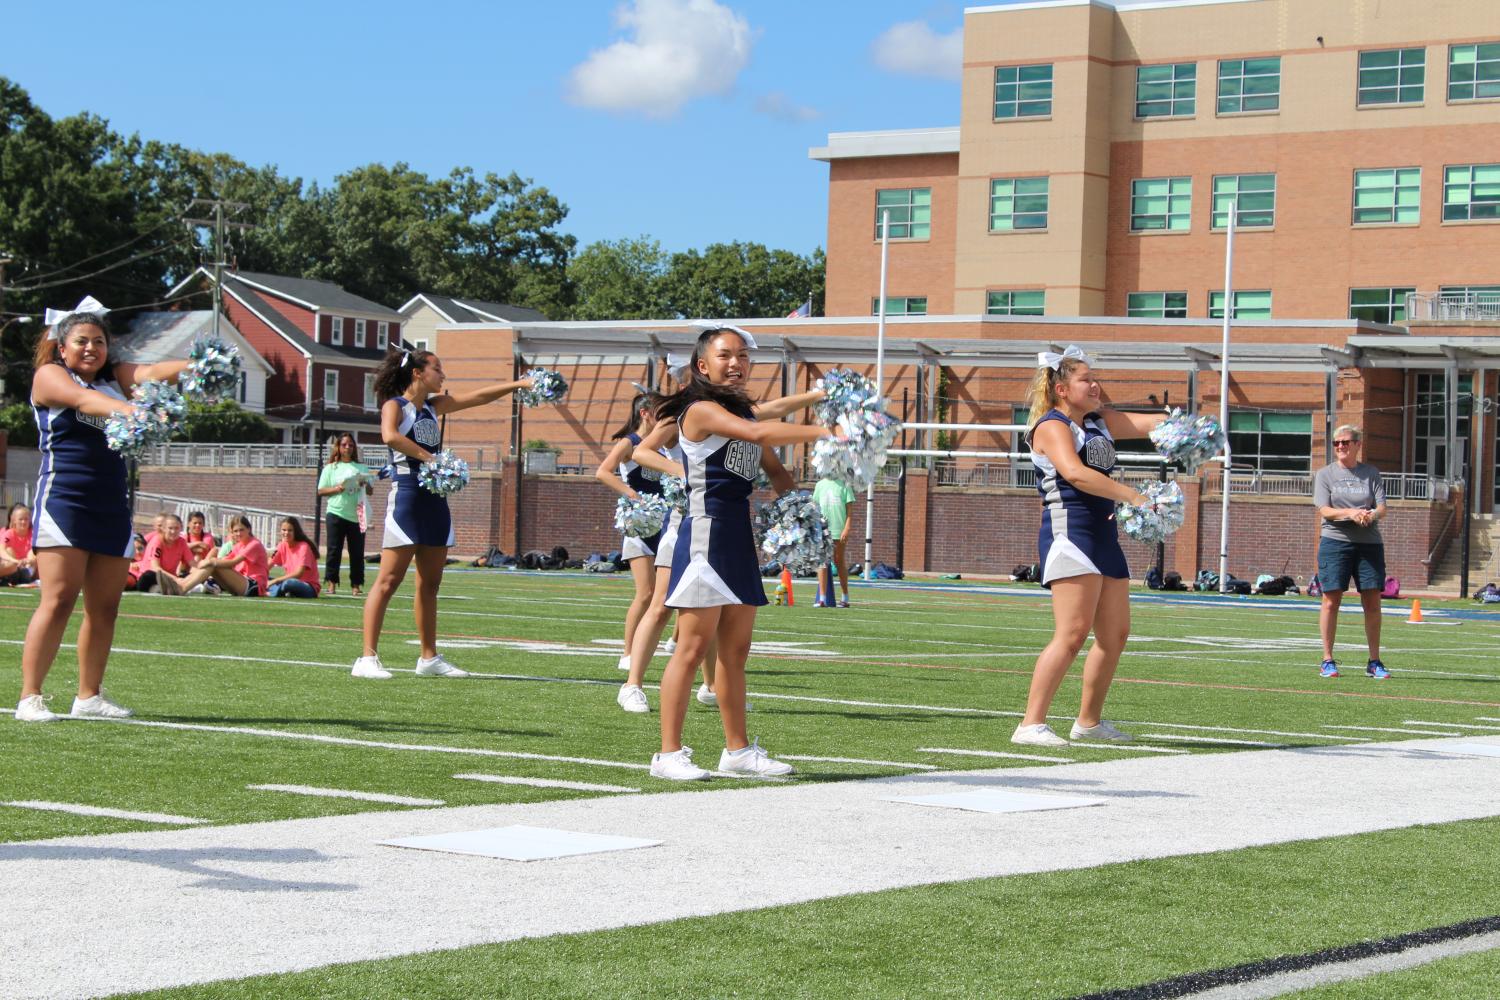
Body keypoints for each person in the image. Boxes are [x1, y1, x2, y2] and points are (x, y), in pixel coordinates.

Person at [644, 326, 834, 780]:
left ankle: (738, 751)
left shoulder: (740, 412)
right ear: (702, 366)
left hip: (738, 539)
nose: (737, 363)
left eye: (744, 355)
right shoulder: (702, 409)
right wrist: (831, 429)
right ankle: (668, 754)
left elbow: (776, 471)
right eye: (725, 355)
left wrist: (799, 515)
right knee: (690, 649)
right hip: (704, 537)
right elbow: (759, 428)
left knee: (735, 652)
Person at [16, 301, 192, 722]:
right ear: (62, 346)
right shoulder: (50, 376)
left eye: (99, 341)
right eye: (82, 341)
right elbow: (82, 400)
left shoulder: (115, 378)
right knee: (58, 599)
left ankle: (89, 695)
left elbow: (151, 374)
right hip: (66, 500)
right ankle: (30, 697)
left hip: (111, 503)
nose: (91, 348)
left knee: (105, 605)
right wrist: (135, 411)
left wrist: (198, 364)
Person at [1012, 346, 1165, 748]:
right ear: (1061, 389)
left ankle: (1089, 722)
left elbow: (1155, 424)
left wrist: (1189, 426)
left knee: (1115, 635)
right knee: (1072, 632)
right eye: (1086, 379)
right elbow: (1076, 474)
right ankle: (1030, 725)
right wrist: (1132, 496)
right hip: (1070, 532)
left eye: (1096, 378)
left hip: (1104, 535)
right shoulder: (1052, 424)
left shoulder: (1099, 422)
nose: (1096, 384)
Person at [353, 348, 533, 680]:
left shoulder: (434, 407)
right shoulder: (395, 406)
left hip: (435, 501)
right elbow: (390, 436)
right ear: (418, 373)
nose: (443, 375)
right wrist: (430, 458)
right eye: (437, 369)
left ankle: (428, 657)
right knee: (389, 580)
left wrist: (518, 384)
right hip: (407, 498)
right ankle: (367, 658)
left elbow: (478, 397)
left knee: (430, 584)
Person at [595, 392, 666, 712]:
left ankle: (662, 645)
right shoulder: (630, 441)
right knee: (646, 592)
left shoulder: (662, 446)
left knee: (665, 595)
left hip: (663, 524)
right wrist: (633, 496)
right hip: (639, 525)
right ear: (645, 412)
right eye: (661, 412)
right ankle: (627, 653)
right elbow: (603, 471)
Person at [1314, 425, 1391, 679]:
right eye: (1336, 443)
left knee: (1372, 602)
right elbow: (1325, 510)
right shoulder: (1325, 475)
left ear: (1358, 444)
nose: (1340, 447)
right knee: (1331, 600)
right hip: (1335, 542)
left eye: (1345, 442)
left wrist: (1370, 515)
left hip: (1369, 545)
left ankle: (1374, 661)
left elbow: (1382, 508)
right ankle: (1327, 660)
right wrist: (1350, 513)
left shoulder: (1371, 473)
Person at [318, 433, 372, 596]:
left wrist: (365, 483)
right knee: (334, 550)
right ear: (338, 448)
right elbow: (321, 490)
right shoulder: (331, 468)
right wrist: (337, 489)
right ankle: (331, 583)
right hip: (336, 512)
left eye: (350, 445)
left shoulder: (361, 468)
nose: (347, 447)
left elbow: (370, 491)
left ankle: (356, 585)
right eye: (344, 445)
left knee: (357, 551)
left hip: (357, 515)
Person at [176, 515, 269, 597]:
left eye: (241, 530)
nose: (238, 533)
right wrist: (206, 562)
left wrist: (209, 561)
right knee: (212, 564)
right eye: (235, 531)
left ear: (249, 529)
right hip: (242, 582)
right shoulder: (239, 545)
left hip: (255, 585)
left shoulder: (254, 544)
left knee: (212, 563)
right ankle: (181, 584)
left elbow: (232, 562)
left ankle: (183, 587)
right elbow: (223, 559)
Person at [813, 476, 857, 607]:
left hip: (838, 530)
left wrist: (847, 528)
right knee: (822, 562)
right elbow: (814, 506)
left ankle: (845, 597)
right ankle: (822, 599)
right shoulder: (820, 485)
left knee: (839, 561)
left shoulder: (845, 484)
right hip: (822, 529)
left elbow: (849, 511)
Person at [135, 513, 194, 594]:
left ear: (181, 528)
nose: (173, 531)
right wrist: (176, 579)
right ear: (164, 529)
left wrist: (207, 567)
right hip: (152, 577)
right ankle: (163, 588)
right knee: (149, 575)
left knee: (190, 575)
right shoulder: (157, 540)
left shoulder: (182, 542)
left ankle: (165, 588)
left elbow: (194, 564)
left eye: (176, 528)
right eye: (170, 528)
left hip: (169, 578)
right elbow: (155, 568)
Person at [268, 516, 322, 598]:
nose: (286, 533)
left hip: (308, 587)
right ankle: (281, 591)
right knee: (263, 578)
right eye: (284, 530)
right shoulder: (281, 545)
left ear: (295, 532)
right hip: (289, 582)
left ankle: (271, 592)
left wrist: (276, 580)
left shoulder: (304, 547)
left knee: (288, 583)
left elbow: (298, 574)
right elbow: (268, 564)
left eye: (290, 530)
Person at [1, 503, 39, 585]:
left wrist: (29, 561)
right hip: (13, 567)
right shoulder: (8, 535)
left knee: (33, 551)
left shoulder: (33, 535)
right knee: (9, 550)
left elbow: (37, 553)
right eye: (20, 519)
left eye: (26, 519)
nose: (23, 522)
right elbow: (2, 550)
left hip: (29, 568)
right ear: (14, 521)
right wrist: (16, 561)